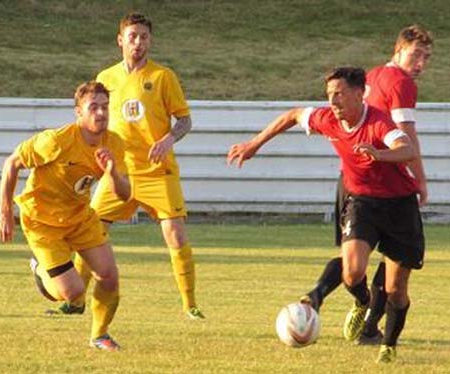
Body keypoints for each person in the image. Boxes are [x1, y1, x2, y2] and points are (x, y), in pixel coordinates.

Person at [227, 67, 424, 363]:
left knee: (397, 289)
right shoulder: (328, 119)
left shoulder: (378, 122)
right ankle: (363, 302)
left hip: (399, 206)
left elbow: (406, 149)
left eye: (339, 94)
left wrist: (379, 153)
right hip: (362, 202)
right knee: (352, 271)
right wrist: (253, 145)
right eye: (329, 95)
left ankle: (388, 345)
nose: (333, 101)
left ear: (360, 93)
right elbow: (292, 115)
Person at [56, 12, 204, 320]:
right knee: (90, 230)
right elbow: (93, 118)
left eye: (144, 37)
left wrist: (167, 140)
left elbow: (185, 120)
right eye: (132, 36)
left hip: (156, 169)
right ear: (120, 40)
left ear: (150, 41)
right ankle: (76, 301)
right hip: (118, 171)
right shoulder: (106, 78)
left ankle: (190, 304)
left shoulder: (163, 77)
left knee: (175, 235)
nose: (138, 42)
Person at [300, 24, 433, 345]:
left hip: (354, 173)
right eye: (415, 55)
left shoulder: (373, 75)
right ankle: (369, 322)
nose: (421, 64)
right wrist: (420, 179)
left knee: (359, 258)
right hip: (381, 177)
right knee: (384, 260)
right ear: (397, 49)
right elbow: (405, 133)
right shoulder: (401, 83)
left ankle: (357, 316)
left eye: (426, 58)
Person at [0, 81, 131, 351]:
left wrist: (112, 171)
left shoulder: (113, 143)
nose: (101, 113)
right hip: (43, 222)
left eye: (105, 107)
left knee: (109, 275)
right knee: (72, 293)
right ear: (78, 112)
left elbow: (125, 194)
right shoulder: (55, 141)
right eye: (93, 107)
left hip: (80, 216)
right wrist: (5, 211)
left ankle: (100, 335)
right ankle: (39, 267)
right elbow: (12, 164)